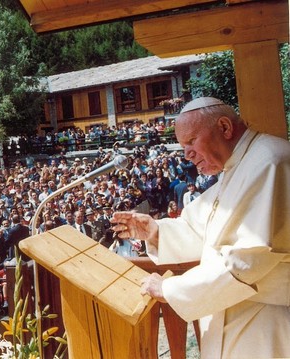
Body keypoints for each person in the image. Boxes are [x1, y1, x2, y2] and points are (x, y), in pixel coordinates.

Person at [112, 97, 290, 358]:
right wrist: (155, 231)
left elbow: (249, 258)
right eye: (183, 146)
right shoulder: (237, 166)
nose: (187, 155)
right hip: (237, 311)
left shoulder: (270, 161)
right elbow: (204, 230)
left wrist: (170, 289)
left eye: (191, 141)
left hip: (266, 321)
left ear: (225, 127)